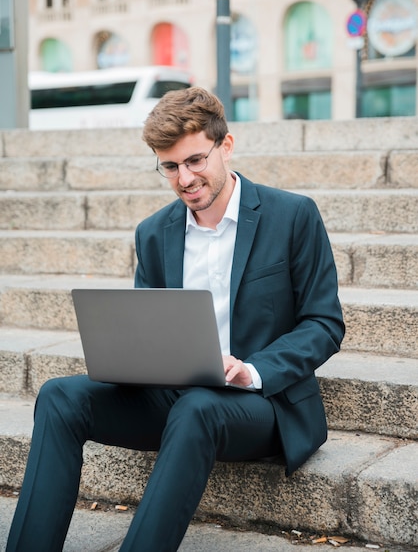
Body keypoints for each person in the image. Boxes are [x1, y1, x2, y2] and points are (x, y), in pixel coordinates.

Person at [6, 87, 345, 552]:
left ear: (225, 146)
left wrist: (252, 369)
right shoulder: (153, 232)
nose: (184, 178)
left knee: (197, 408)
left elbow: (324, 323)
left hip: (263, 402)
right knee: (60, 396)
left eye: (195, 161)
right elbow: (150, 329)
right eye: (169, 166)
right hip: (175, 396)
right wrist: (129, 360)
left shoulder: (293, 216)